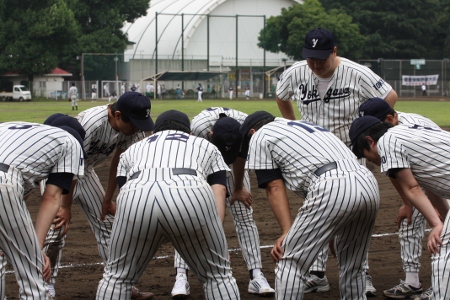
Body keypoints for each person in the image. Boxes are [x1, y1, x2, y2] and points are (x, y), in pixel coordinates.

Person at [275, 27, 398, 295]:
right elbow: (282, 95)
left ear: (334, 51)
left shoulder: (356, 72)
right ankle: (317, 273)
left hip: (349, 154)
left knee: (352, 217)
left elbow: (389, 96)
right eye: (311, 58)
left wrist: (367, 127)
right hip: (313, 157)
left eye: (322, 58)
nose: (316, 64)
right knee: (316, 211)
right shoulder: (297, 72)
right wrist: (293, 124)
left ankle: (360, 272)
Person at [96, 110, 240, 300]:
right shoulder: (204, 144)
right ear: (189, 133)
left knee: (116, 278)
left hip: (136, 196)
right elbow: (219, 190)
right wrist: (215, 237)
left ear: (154, 133)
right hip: (189, 195)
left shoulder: (134, 148)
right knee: (218, 276)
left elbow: (124, 193)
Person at [240, 111, 380, 300]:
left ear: (252, 131)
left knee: (289, 261)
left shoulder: (260, 135)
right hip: (367, 183)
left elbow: (273, 186)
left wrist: (286, 232)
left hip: (332, 185)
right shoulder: (306, 127)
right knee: (353, 267)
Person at [41, 92, 155, 300]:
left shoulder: (130, 129)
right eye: (135, 123)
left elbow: (120, 162)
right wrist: (65, 207)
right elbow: (70, 163)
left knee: (108, 224)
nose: (138, 128)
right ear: (118, 115)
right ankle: (44, 285)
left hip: (85, 171)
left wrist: (107, 199)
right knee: (55, 231)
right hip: (58, 172)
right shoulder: (91, 123)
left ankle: (120, 284)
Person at [170, 108, 275, 298]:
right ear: (211, 135)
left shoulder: (244, 127)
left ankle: (256, 275)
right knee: (188, 211)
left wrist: (237, 189)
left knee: (243, 210)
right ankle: (181, 276)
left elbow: (240, 157)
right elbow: (184, 155)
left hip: (234, 158)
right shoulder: (198, 129)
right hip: (198, 161)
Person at [349, 116, 450, 300]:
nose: (370, 161)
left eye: (364, 154)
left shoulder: (388, 142)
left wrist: (436, 225)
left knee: (443, 249)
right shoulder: (405, 132)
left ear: (370, 141)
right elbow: (433, 189)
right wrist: (442, 219)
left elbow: (412, 187)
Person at [0, 118, 85, 299]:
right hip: (3, 181)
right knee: (33, 274)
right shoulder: (70, 142)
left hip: (7, 180)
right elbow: (52, 197)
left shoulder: (17, 130)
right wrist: (36, 248)